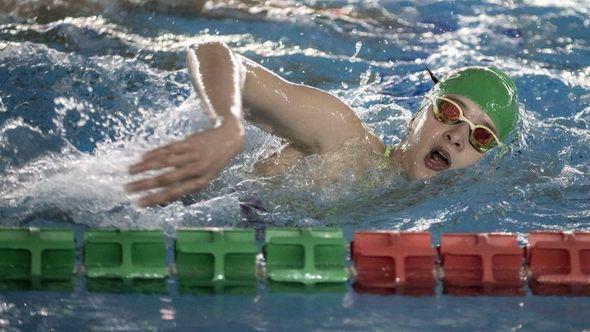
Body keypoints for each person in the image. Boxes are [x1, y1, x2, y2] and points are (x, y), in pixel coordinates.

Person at [125, 41, 519, 207]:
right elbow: (212, 52)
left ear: (486, 160)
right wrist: (227, 124)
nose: (457, 135)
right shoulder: (343, 137)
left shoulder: (425, 209)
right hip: (153, 196)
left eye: (481, 136)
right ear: (418, 115)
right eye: (450, 111)